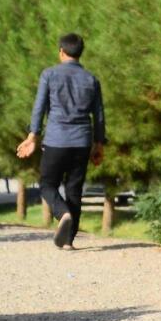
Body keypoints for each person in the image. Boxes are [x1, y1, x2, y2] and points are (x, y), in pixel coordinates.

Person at [16, 33, 105, 249]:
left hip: (56, 140)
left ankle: (62, 213)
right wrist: (99, 144)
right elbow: (99, 115)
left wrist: (32, 136)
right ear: (79, 53)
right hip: (82, 141)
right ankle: (68, 241)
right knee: (74, 189)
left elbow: (39, 108)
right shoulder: (91, 79)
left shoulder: (49, 74)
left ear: (61, 52)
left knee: (47, 184)